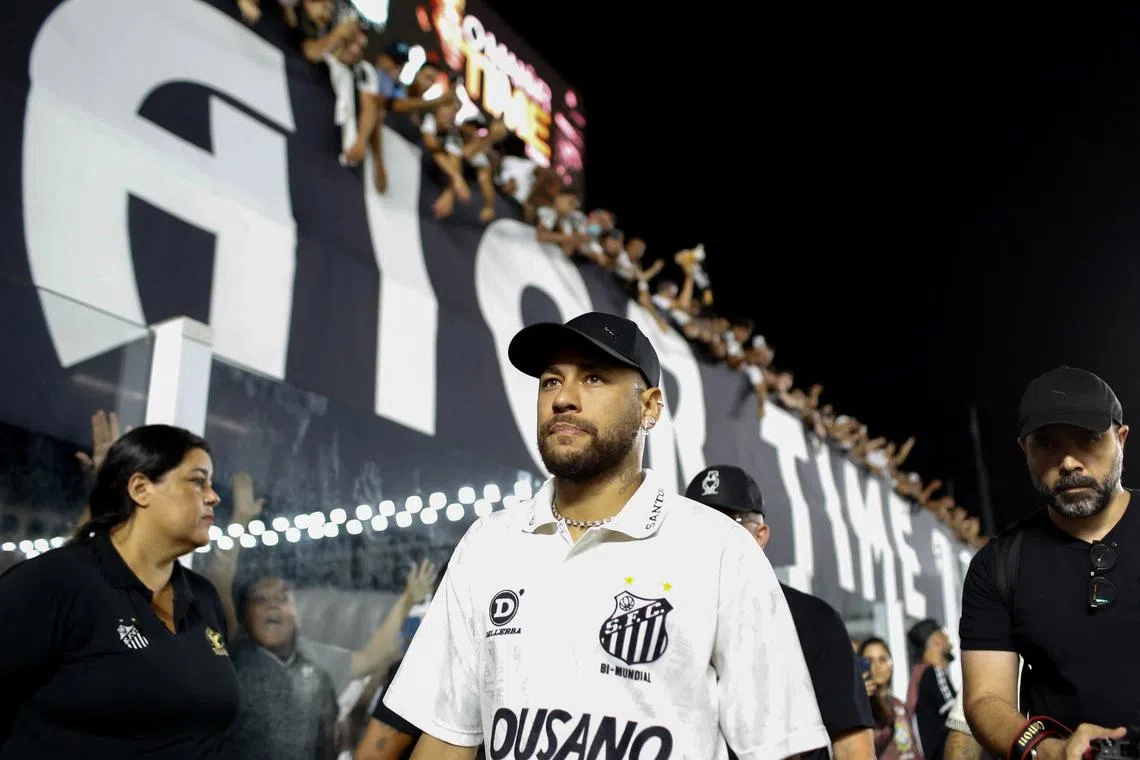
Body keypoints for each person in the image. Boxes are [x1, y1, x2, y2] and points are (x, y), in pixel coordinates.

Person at [382, 312, 829, 759]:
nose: (563, 399)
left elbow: (782, 748)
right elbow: (446, 737)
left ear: (649, 407)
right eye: (551, 381)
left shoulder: (718, 549)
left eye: (594, 378)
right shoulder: (489, 544)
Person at [0, 425, 238, 758]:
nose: (213, 496)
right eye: (198, 481)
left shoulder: (204, 598)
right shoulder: (53, 584)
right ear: (141, 489)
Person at [960, 366, 1139, 760]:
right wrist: (1051, 750)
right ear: (1025, 450)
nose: (1070, 461)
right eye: (1048, 445)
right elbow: (986, 697)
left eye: (1089, 440)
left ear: (1120, 439)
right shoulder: (998, 565)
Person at [683, 464, 875, 760]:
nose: (712, 533)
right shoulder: (670, 615)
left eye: (729, 522)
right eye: (698, 522)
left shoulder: (815, 621)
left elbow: (852, 747)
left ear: (761, 535)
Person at [860, 638, 921, 760]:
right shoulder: (858, 705)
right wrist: (860, 699)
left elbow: (913, 747)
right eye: (869, 660)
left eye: (882, 659)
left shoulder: (898, 704)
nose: (877, 666)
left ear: (891, 663)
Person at [906, 618, 956, 760]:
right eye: (944, 632)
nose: (948, 638)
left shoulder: (918, 675)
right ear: (937, 640)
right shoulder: (933, 672)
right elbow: (958, 714)